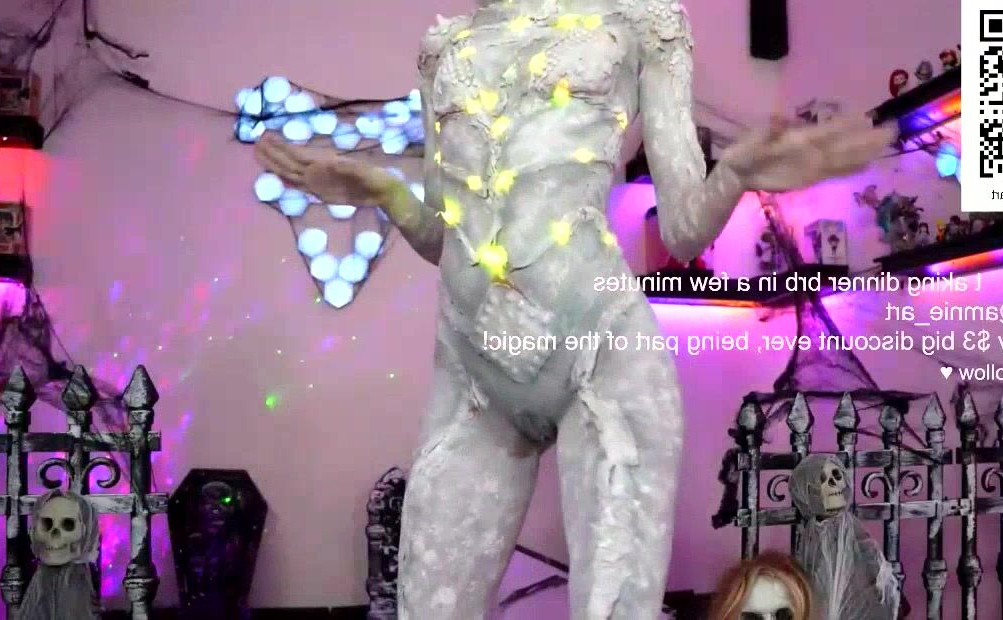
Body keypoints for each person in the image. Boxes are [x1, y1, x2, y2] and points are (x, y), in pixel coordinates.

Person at [255, 1, 893, 616]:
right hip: (473, 368)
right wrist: (387, 195)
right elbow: (447, 240)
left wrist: (732, 175)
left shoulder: (644, 21)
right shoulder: (443, 47)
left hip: (602, 359)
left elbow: (682, 231)